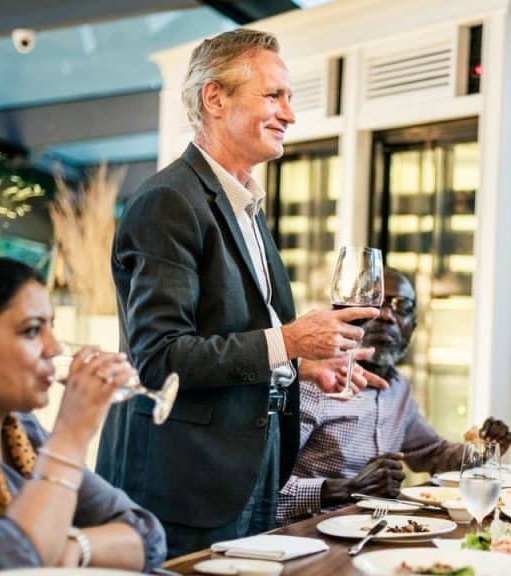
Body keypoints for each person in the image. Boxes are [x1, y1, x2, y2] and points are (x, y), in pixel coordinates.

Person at [96, 29, 380, 557]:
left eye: (289, 98)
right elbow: (161, 359)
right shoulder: (168, 202)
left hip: (255, 462)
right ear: (215, 98)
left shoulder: (245, 204)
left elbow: (233, 333)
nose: (290, 114)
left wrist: (302, 365)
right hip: (185, 478)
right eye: (273, 96)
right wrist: (290, 342)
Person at [0, 255, 165, 573]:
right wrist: (71, 436)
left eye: (52, 327)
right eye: (32, 331)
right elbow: (7, 567)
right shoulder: (54, 440)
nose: (55, 348)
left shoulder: (22, 429)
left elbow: (147, 535)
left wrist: (77, 546)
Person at [277, 268, 511, 524]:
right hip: (309, 538)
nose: (388, 316)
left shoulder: (399, 388)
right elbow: (262, 490)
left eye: (401, 306)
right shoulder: (314, 383)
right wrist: (345, 488)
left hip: (376, 532)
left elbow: (433, 454)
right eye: (375, 305)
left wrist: (484, 447)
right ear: (345, 318)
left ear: (412, 327)